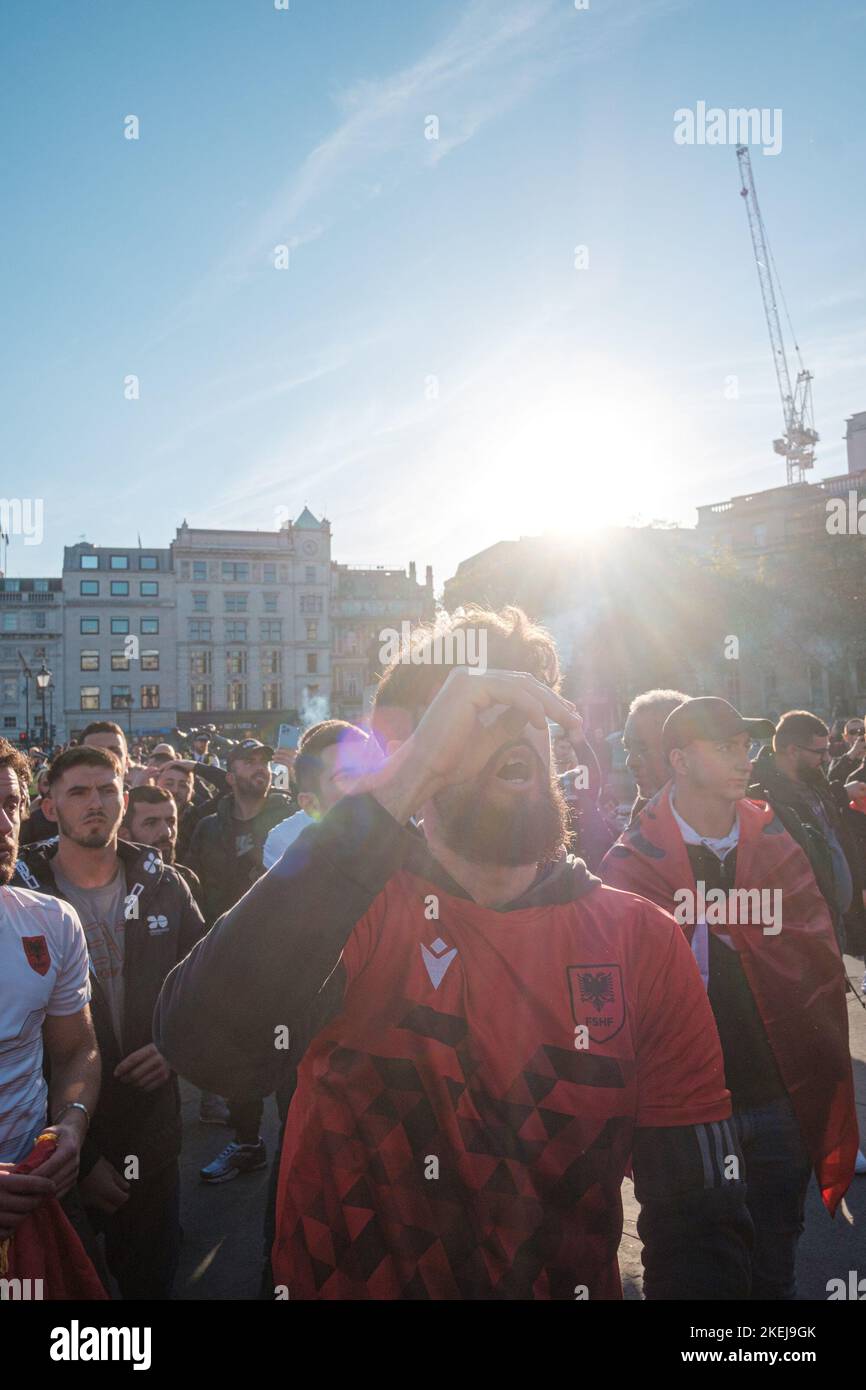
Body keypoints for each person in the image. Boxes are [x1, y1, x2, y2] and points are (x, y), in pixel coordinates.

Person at [156, 607, 752, 1300]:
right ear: (415, 745)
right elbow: (207, 1047)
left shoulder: (642, 939)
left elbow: (702, 1218)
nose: (513, 726)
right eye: (478, 708)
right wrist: (397, 788)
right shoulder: (353, 904)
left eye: (530, 702)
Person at [602, 696, 857, 1299]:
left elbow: (813, 952)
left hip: (776, 1095)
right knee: (688, 1266)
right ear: (681, 760)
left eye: (746, 745)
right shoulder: (633, 860)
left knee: (772, 1267)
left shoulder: (775, 840)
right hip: (682, 1107)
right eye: (726, 747)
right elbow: (615, 992)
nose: (744, 758)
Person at [16, 745, 206, 1299]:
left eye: (106, 789)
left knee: (152, 1285)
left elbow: (202, 987)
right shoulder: (24, 897)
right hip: (53, 1150)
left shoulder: (165, 883)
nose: (94, 803)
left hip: (154, 1131)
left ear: (124, 796)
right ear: (49, 806)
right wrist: (84, 1153)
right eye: (78, 792)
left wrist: (175, 1048)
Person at [0, 740, 102, 1272]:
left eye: (9, 804)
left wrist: (73, 1125)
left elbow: (75, 1049)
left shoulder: (53, 921)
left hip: (40, 1189)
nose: (2, 824)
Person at [190, 739, 293, 1181]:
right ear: (229, 774)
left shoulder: (291, 816)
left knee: (295, 1051)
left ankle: (297, 1142)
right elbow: (195, 888)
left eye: (264, 762)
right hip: (230, 953)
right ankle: (248, 1143)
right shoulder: (208, 828)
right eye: (249, 762)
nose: (260, 769)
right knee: (239, 1054)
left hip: (288, 952)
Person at [747, 711, 865, 954]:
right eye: (819, 752)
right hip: (802, 924)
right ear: (793, 751)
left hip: (835, 915)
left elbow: (834, 834)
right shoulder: (761, 791)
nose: (825, 757)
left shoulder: (812, 776)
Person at [262, 721, 369, 870]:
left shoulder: (401, 827)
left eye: (373, 771)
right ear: (310, 804)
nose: (367, 783)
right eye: (347, 776)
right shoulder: (286, 840)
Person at [621, 689, 690, 823]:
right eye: (627, 749)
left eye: (643, 748)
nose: (630, 762)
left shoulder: (728, 828)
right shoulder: (643, 816)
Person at [828, 717, 866, 788]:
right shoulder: (839, 761)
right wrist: (854, 751)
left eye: (863, 731)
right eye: (853, 732)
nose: (858, 734)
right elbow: (832, 778)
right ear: (845, 737)